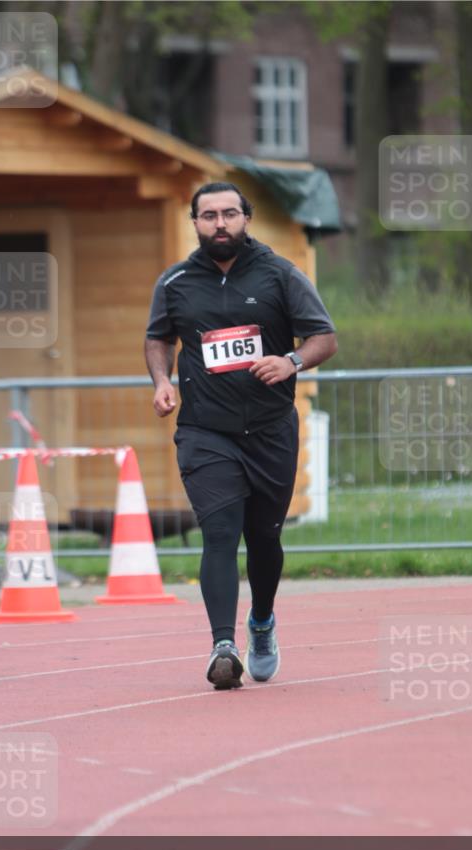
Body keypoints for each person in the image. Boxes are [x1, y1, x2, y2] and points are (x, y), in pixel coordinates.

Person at [145, 181, 337, 690]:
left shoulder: (279, 274)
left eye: (230, 213)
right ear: (196, 223)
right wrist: (162, 381)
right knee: (220, 533)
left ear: (246, 218)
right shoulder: (176, 281)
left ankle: (263, 622)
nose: (220, 223)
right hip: (206, 432)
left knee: (264, 539)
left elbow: (324, 336)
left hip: (270, 430)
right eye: (209, 216)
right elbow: (159, 337)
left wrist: (290, 360)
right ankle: (222, 645)